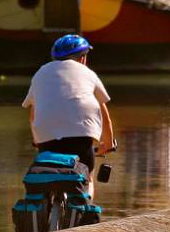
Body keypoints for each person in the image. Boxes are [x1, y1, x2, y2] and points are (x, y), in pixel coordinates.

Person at [22, 35, 115, 195]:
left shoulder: (41, 73)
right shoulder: (88, 73)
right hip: (81, 136)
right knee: (87, 177)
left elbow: (33, 113)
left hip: (46, 137)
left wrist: (37, 141)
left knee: (47, 172)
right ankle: (84, 213)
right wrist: (107, 142)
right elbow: (102, 109)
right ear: (83, 58)